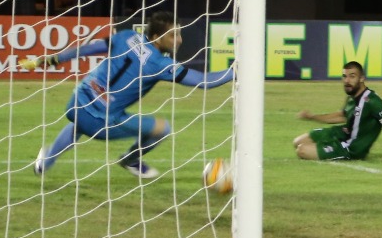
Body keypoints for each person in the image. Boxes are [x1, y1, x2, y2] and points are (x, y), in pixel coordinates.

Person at [28, 12, 234, 179]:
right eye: (173, 35)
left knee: (81, 121)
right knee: (163, 129)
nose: (179, 40)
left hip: (76, 103)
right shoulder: (159, 64)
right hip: (102, 123)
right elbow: (203, 81)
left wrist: (54, 59)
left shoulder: (126, 36)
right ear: (155, 38)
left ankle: (45, 161)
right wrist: (235, 71)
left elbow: (89, 49)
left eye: (179, 34)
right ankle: (130, 160)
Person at [293, 62, 382, 163]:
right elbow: (342, 116)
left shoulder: (373, 102)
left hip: (350, 147)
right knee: (297, 142)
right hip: (341, 133)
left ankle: (330, 149)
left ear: (361, 78)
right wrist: (312, 117)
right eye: (344, 76)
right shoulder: (352, 97)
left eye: (352, 76)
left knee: (302, 150)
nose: (347, 81)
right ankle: (326, 145)